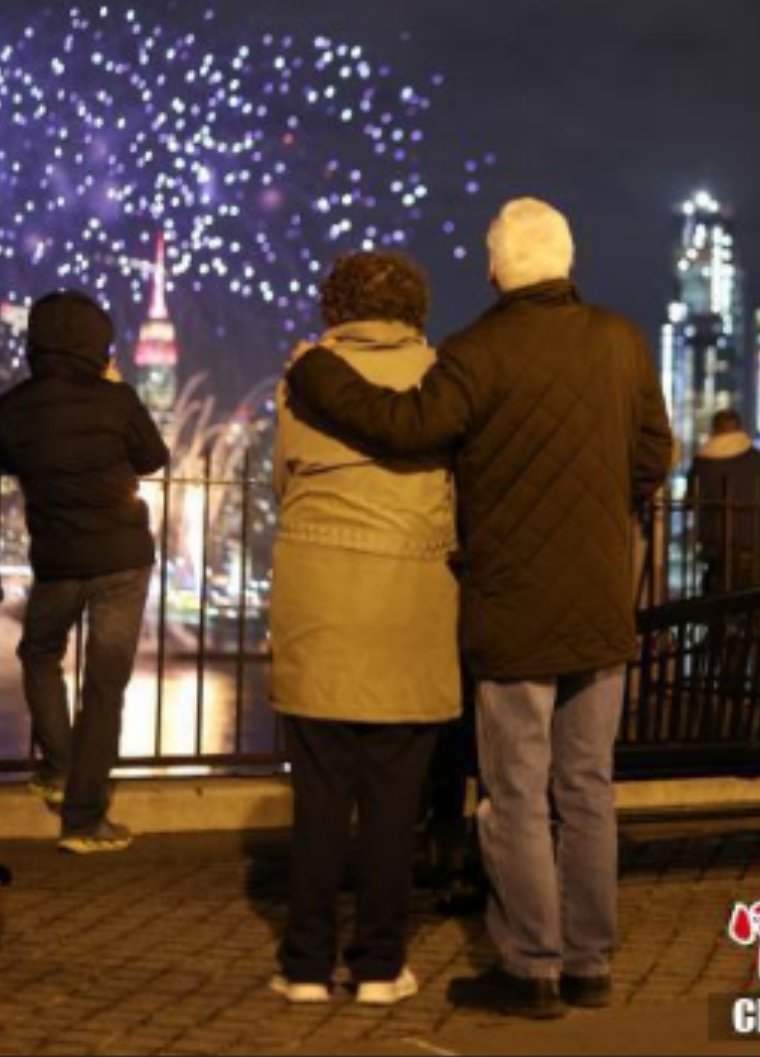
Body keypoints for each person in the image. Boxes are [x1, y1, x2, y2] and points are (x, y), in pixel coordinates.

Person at [287, 198, 674, 1021]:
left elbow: (402, 426)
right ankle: (590, 962)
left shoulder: (477, 352)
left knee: (516, 795)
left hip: (515, 608)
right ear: (569, 260)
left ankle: (530, 967)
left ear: (496, 268)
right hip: (602, 602)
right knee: (589, 788)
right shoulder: (623, 342)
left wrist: (316, 370)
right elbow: (653, 456)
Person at [269, 251, 461, 1009]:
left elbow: (286, 479)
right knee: (392, 804)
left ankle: (306, 966)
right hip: (410, 604)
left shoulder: (304, 378)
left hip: (320, 598)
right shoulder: (445, 377)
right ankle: (380, 966)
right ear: (415, 305)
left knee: (318, 803)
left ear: (334, 304)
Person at [0, 289, 167, 854]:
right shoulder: (117, 401)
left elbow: (10, 458)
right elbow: (153, 458)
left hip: (59, 558)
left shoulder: (11, 407)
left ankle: (61, 767)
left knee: (40, 654)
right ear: (99, 345)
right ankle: (85, 820)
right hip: (122, 559)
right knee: (105, 686)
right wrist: (113, 389)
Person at [690, 408, 760, 591]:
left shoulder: (702, 462)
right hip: (755, 543)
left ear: (714, 429)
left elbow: (691, 500)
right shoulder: (758, 459)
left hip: (716, 545)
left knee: (717, 603)